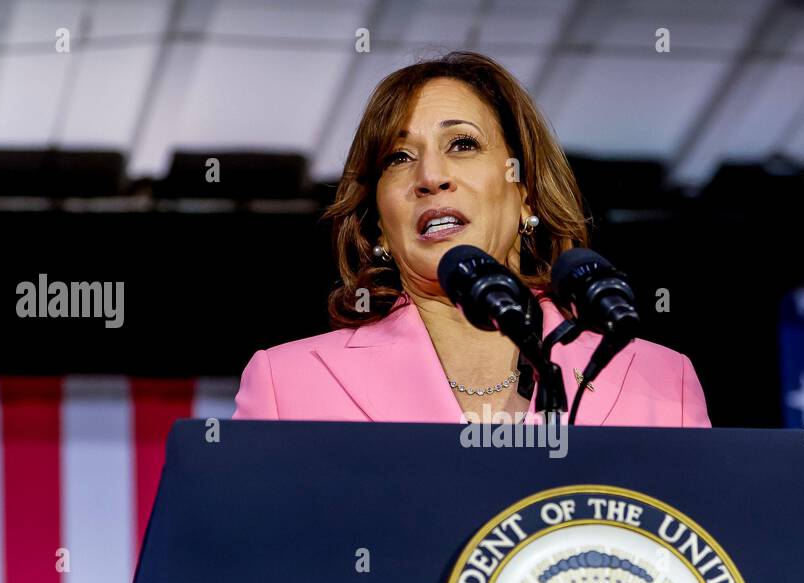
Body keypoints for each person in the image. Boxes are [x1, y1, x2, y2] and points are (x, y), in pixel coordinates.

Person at [233, 51, 710, 427]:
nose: (431, 176)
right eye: (398, 157)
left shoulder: (661, 379)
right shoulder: (288, 385)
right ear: (378, 222)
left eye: (462, 144)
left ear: (525, 193)